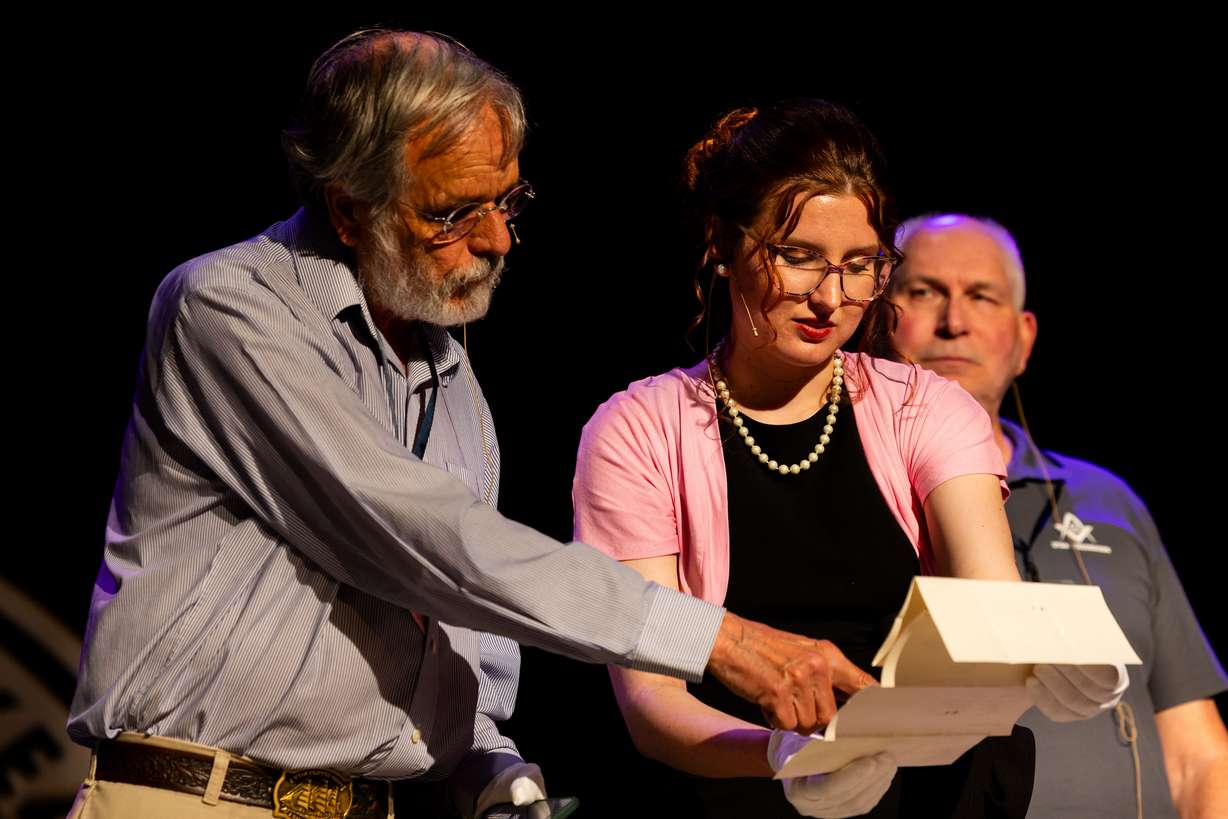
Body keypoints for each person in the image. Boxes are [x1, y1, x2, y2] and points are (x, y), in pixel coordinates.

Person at [65, 31, 875, 819]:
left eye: (506, 201)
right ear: (348, 209)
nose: (496, 241)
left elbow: (457, 634)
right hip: (197, 797)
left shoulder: (454, 381)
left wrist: (487, 767)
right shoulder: (231, 308)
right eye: (453, 213)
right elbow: (419, 535)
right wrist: (724, 642)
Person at [572, 100, 1124, 819]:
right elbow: (651, 700)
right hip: (739, 794)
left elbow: (990, 602)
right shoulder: (639, 429)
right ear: (724, 243)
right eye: (799, 257)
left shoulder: (924, 407)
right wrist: (782, 754)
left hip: (929, 789)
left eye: (861, 266)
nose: (831, 298)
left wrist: (1040, 651)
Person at [890, 212, 1228, 818]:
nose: (954, 321)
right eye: (923, 291)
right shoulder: (850, 495)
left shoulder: (1108, 499)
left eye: (981, 296)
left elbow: (1197, 753)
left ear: (1023, 340)